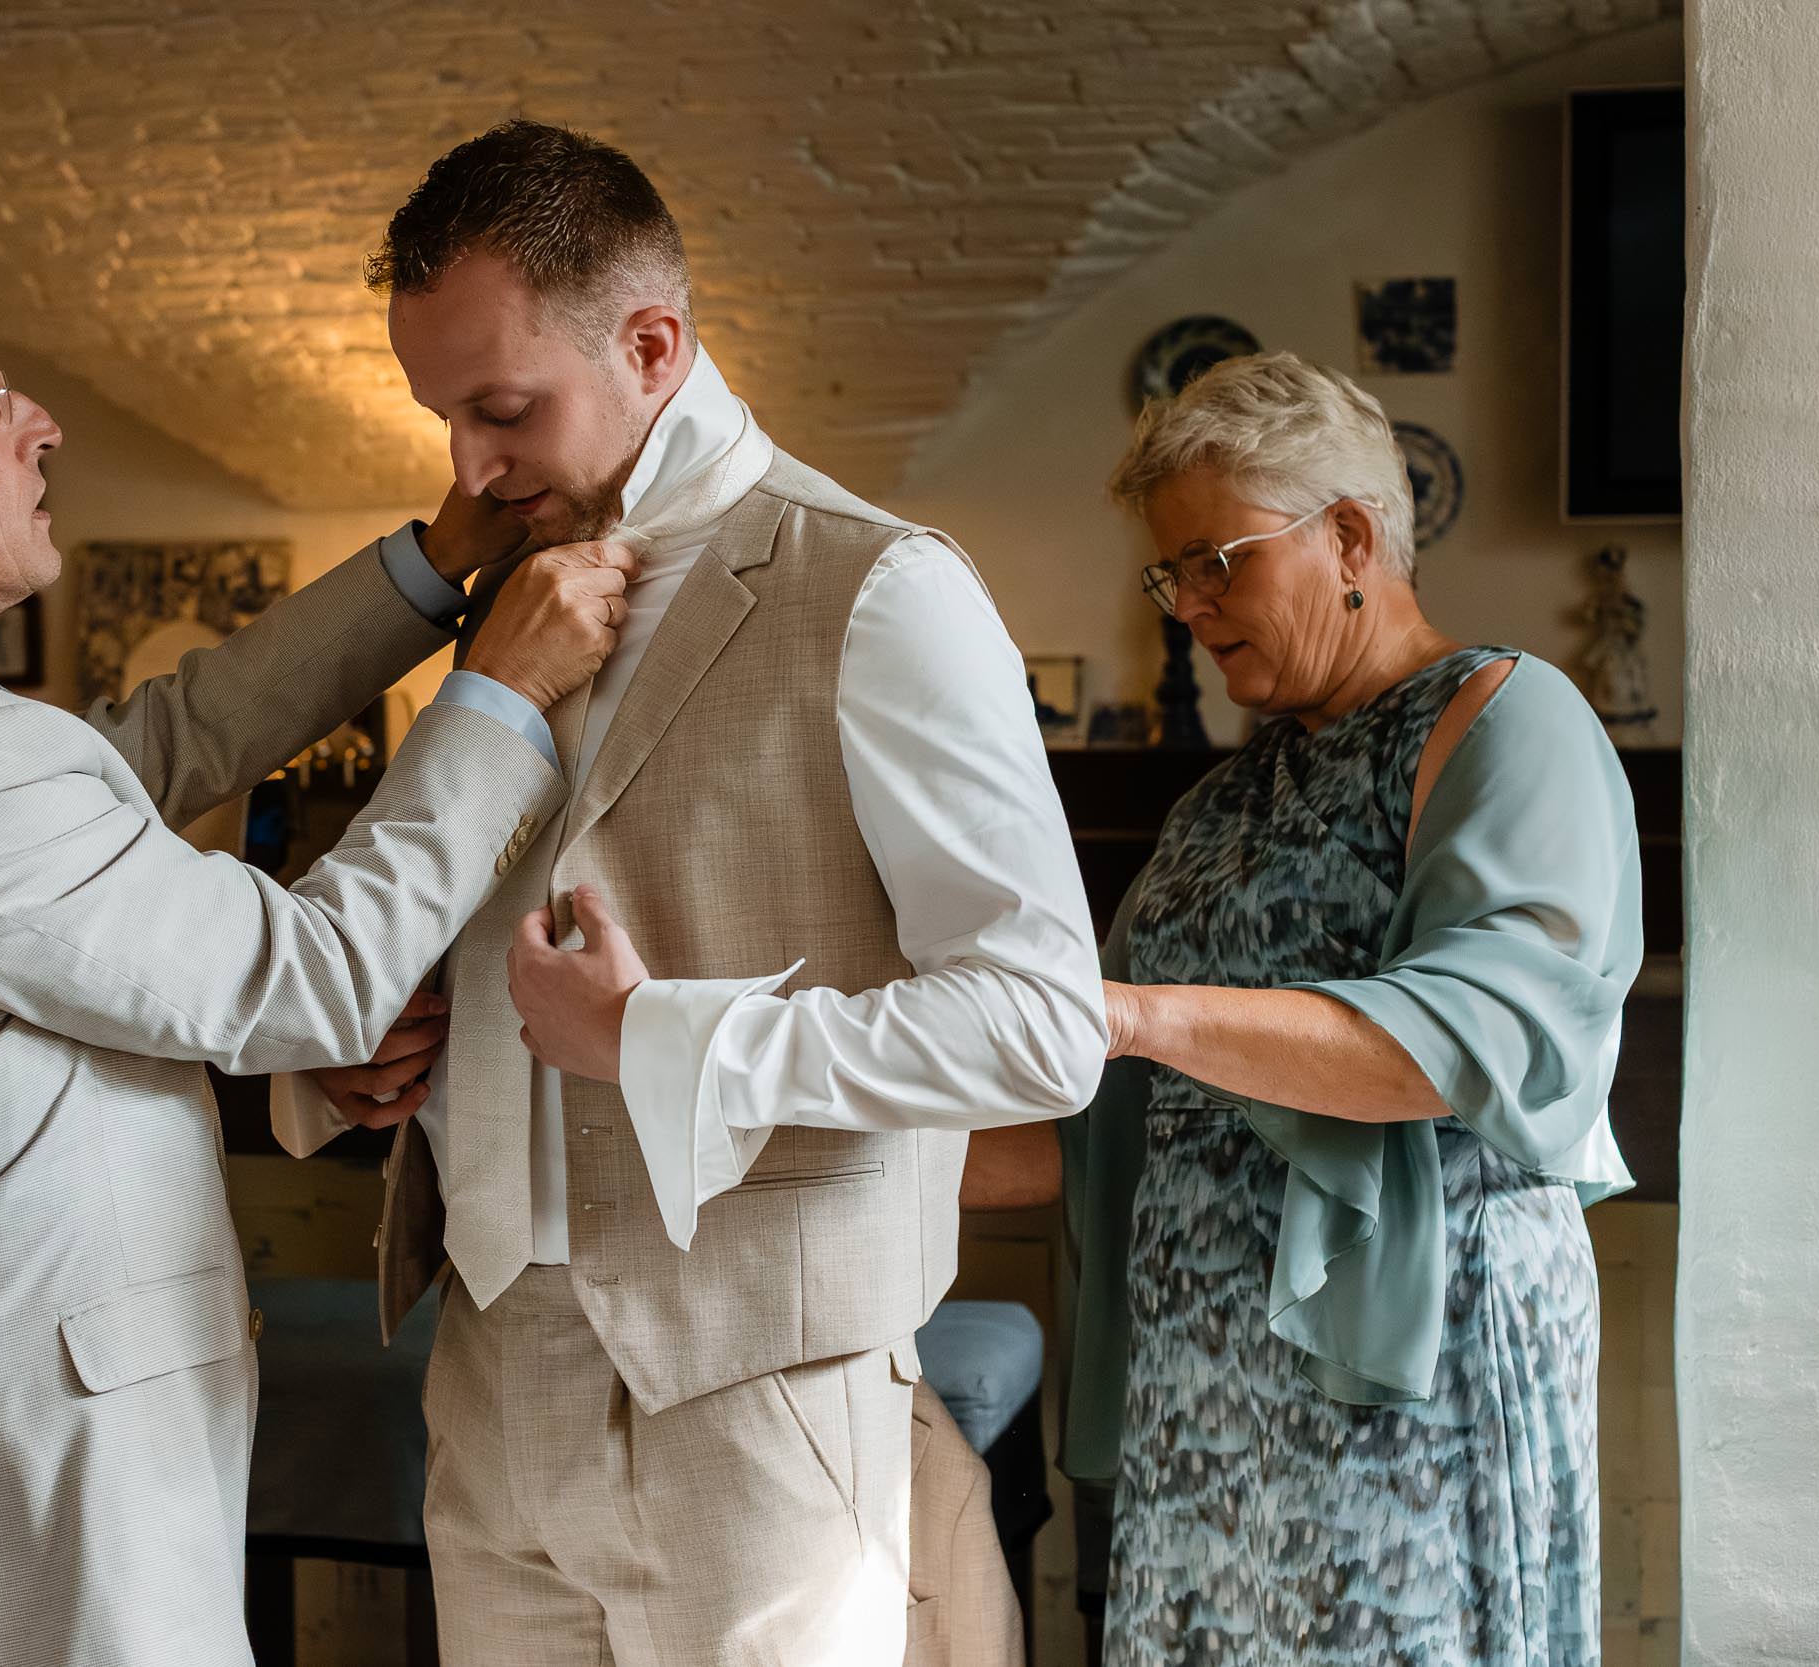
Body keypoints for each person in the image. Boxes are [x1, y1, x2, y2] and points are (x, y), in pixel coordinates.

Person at [0, 242, 632, 1667]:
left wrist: (433, 570)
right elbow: (324, 974)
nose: (38, 422)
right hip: (42, 1546)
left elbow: (143, 760)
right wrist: (499, 691)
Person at [274, 120, 1102, 1665]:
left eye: (503, 409)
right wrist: (375, 1060)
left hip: (759, 1401)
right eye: (442, 415)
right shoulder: (504, 597)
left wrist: (665, 1040)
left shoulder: (882, 587)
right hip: (487, 1373)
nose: (467, 468)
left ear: (654, 343)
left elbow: (1042, 1028)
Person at [981, 350, 1638, 1666]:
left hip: (1411, 1388)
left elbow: (1468, 1041)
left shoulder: (1510, 720)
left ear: (1348, 535)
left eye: (1218, 560)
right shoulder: (1226, 796)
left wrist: (1137, 1014)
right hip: (1208, 1399)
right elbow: (1105, 1104)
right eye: (1173, 574)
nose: (1188, 607)